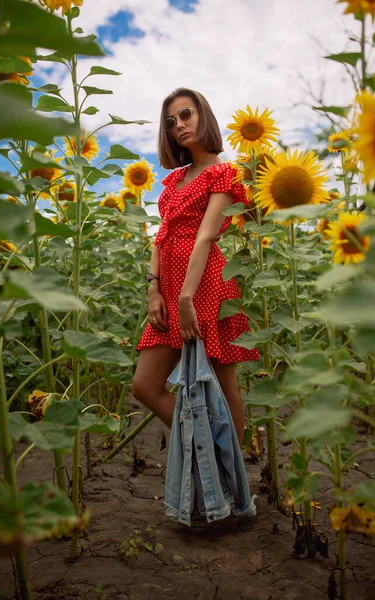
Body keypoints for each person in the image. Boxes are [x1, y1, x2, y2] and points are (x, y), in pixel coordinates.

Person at [132, 87, 260, 448]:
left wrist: (186, 297)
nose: (179, 126)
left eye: (186, 114)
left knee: (222, 380)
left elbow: (205, 237)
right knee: (145, 386)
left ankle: (230, 476)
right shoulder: (174, 180)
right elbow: (162, 236)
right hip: (170, 285)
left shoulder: (222, 172)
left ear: (203, 114)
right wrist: (153, 288)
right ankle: (207, 450)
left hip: (205, 284)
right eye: (171, 122)